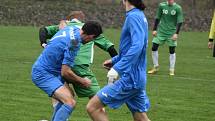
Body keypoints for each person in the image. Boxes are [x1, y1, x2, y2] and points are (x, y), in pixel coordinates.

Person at [86, 0, 150, 121]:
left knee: (92, 107)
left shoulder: (133, 16)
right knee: (140, 117)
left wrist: (118, 68)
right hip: (137, 77)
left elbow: (138, 46)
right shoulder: (139, 15)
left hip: (131, 79)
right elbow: (132, 48)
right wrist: (115, 60)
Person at [31, 21, 102, 121]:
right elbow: (66, 72)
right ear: (91, 36)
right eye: (93, 38)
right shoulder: (75, 42)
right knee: (70, 102)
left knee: (68, 96)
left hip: (50, 70)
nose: (91, 41)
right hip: (43, 73)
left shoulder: (72, 29)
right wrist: (82, 81)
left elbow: (62, 24)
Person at [39, 11, 118, 99]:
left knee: (62, 96)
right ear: (82, 19)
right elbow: (110, 47)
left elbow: (43, 30)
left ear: (69, 19)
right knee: (96, 99)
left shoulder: (64, 26)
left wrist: (43, 43)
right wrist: (115, 64)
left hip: (60, 65)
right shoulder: (90, 31)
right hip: (79, 66)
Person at [148, 0, 184, 76]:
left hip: (171, 33)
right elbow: (157, 18)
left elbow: (180, 22)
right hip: (161, 31)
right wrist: (154, 29)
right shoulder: (162, 6)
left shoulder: (178, 8)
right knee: (154, 47)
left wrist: (176, 34)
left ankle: (171, 69)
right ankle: (155, 67)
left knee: (172, 50)